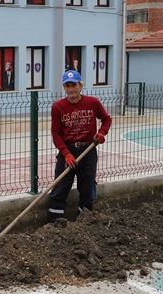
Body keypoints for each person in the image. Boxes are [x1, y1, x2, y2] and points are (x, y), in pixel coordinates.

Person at [46, 70, 111, 223]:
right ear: (64, 88)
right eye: (67, 86)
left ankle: (85, 220)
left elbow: (106, 119)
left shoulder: (92, 103)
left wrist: (101, 133)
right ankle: (54, 223)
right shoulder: (58, 107)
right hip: (67, 151)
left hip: (87, 150)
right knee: (60, 187)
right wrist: (66, 154)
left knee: (87, 188)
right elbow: (56, 133)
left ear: (81, 86)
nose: (71, 89)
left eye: (74, 85)